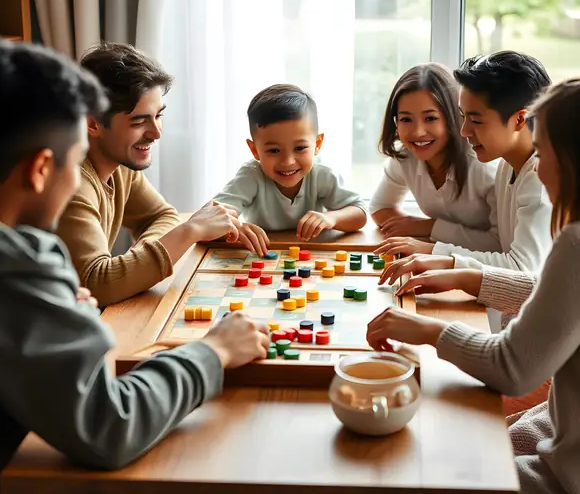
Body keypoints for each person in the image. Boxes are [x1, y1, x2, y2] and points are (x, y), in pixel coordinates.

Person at [0, 37, 277, 494]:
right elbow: (107, 425)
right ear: (43, 168)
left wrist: (69, 319)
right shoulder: (13, 274)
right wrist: (210, 351)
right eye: (73, 163)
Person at [363, 78, 580, 494]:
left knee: (425, 482)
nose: (536, 167)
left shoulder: (574, 243)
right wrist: (471, 276)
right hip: (560, 427)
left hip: (573, 484)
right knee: (471, 442)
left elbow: (513, 368)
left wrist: (426, 330)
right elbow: (560, 302)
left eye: (544, 153)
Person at [57, 42, 241, 306]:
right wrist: (191, 230)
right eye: (140, 121)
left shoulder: (118, 164)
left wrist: (141, 261)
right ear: (93, 123)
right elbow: (98, 283)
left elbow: (161, 216)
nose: (156, 132)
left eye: (158, 116)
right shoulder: (70, 183)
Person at [378, 52, 552, 275]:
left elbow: (521, 270)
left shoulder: (542, 177)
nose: (464, 131)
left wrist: (435, 253)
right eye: (463, 117)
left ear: (519, 119)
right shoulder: (508, 165)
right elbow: (501, 245)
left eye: (476, 120)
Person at [213, 83, 367, 256]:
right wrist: (235, 228)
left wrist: (331, 218)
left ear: (317, 144)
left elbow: (360, 214)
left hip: (312, 254)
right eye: (273, 151)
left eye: (300, 148)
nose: (287, 162)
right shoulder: (251, 175)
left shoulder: (322, 173)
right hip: (264, 255)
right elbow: (209, 217)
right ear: (255, 150)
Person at [369, 63, 500, 250]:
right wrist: (415, 228)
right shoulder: (405, 157)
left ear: (454, 117)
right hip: (441, 261)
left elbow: (498, 243)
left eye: (430, 118)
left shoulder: (485, 166)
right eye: (406, 119)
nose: (418, 132)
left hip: (487, 269)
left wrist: (428, 227)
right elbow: (380, 207)